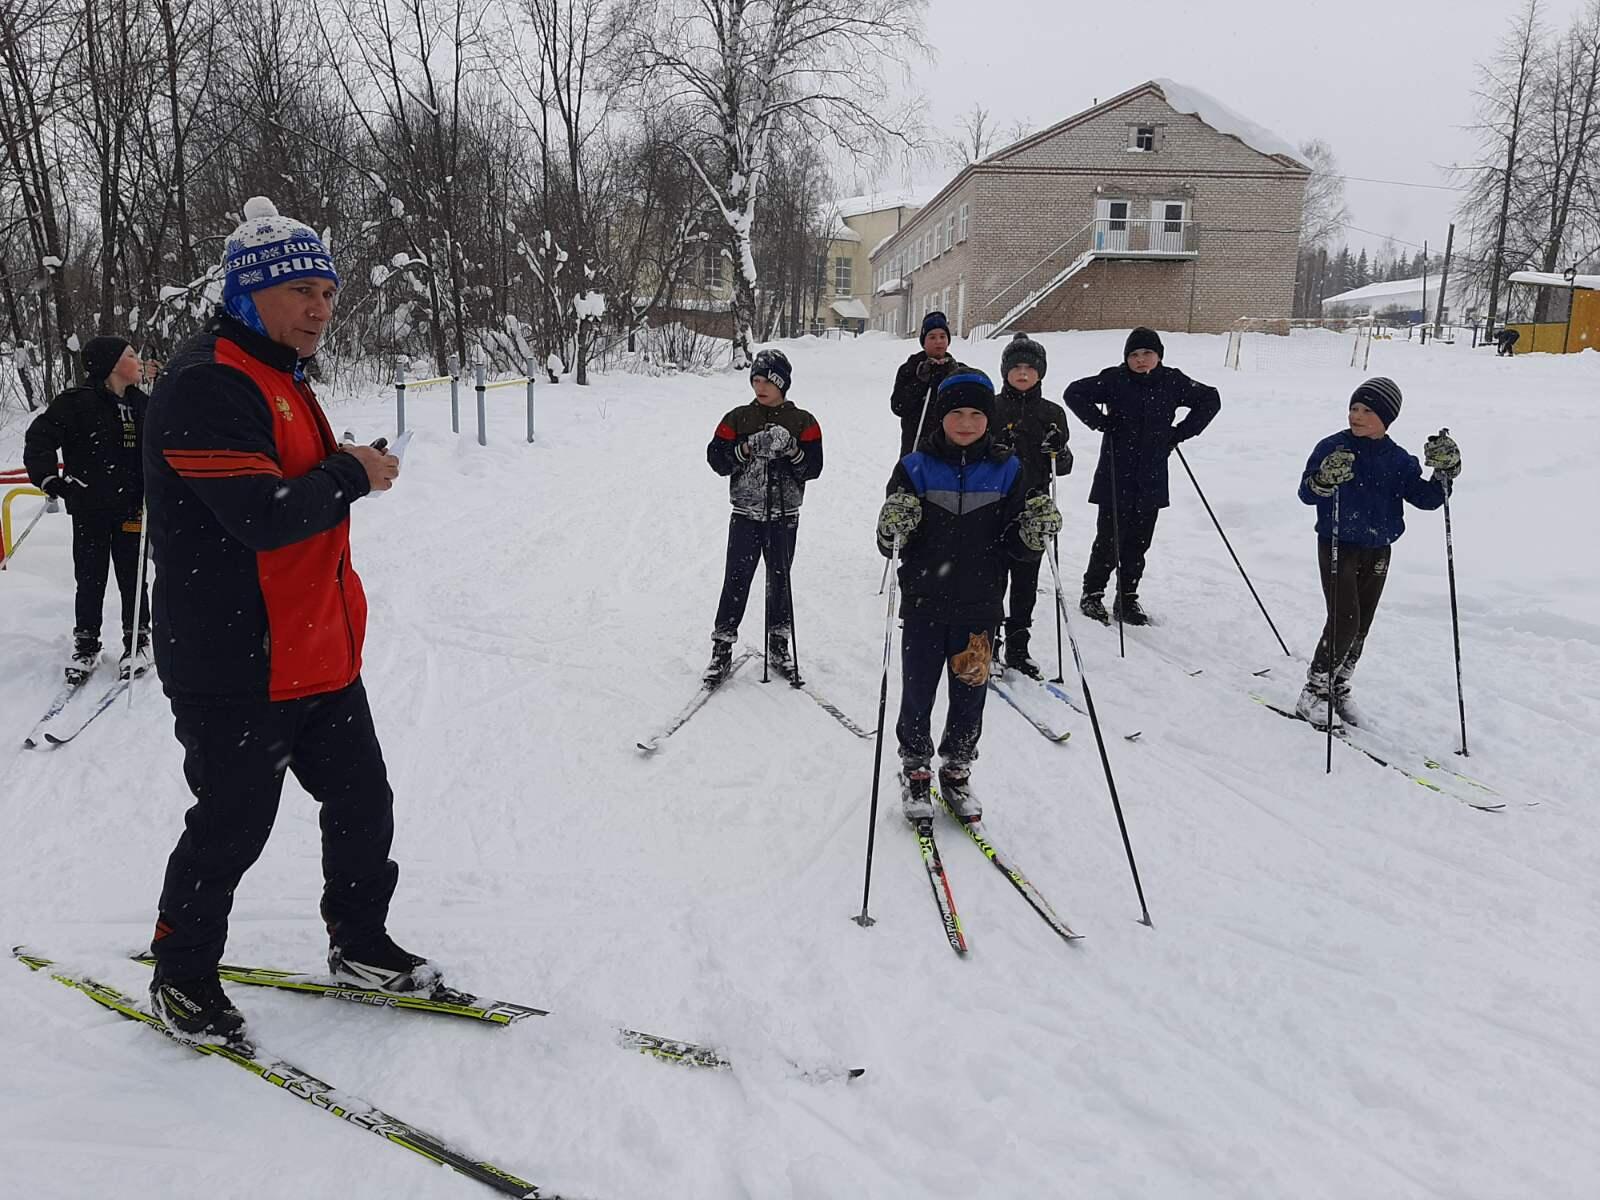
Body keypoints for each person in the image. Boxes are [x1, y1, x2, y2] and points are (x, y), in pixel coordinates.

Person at [142, 196, 421, 1042]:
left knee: (363, 804)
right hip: (235, 664)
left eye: (329, 294)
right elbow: (261, 513)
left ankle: (360, 944)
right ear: (247, 294)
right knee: (231, 827)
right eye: (301, 290)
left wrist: (340, 469)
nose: (320, 310)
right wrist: (349, 472)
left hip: (317, 654)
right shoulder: (207, 383)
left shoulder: (281, 379)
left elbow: (296, 497)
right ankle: (182, 977)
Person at [876, 367, 1062, 824]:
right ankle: (916, 768)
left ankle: (956, 769)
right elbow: (888, 542)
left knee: (969, 693)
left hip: (980, 605)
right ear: (941, 418)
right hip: (923, 603)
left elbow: (1016, 547)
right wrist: (893, 525)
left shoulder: (1008, 469)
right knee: (918, 690)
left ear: (989, 419)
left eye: (976, 414)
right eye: (956, 413)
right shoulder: (915, 468)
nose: (965, 423)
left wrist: (1033, 534)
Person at [1294, 377, 1461, 728]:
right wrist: (1324, 480)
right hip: (1338, 541)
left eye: (1367, 410)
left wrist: (1444, 472)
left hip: (1379, 547)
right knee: (1345, 617)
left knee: (1361, 624)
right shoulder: (1332, 447)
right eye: (1354, 407)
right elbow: (1307, 493)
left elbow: (1429, 500)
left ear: (1387, 417)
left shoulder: (1399, 460)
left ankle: (1338, 684)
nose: (1356, 415)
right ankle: (1314, 690)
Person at [1063, 326, 1221, 626]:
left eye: (1147, 353)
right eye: (1134, 354)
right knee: (1108, 539)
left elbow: (1210, 399)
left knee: (1138, 542)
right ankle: (1092, 593)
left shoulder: (1173, 381)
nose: (1141, 360)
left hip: (1152, 473)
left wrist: (1179, 433)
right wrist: (1100, 422)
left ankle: (1127, 598)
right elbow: (1074, 392)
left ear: (1158, 355)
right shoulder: (1114, 379)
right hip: (1115, 472)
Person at [23, 335, 152, 683]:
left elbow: (162, 449)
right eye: (130, 355)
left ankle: (138, 640)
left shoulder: (144, 405)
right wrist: (50, 480)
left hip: (131, 508)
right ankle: (86, 643)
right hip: (89, 507)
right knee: (91, 576)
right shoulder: (77, 402)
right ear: (111, 365)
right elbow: (40, 438)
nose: (137, 360)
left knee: (132, 575)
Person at [703, 348, 824, 683]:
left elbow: (813, 468)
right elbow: (717, 460)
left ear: (782, 383)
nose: (759, 387)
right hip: (745, 512)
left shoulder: (804, 422)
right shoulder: (738, 417)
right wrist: (744, 449)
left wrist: (793, 450)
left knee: (779, 580)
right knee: (736, 579)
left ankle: (779, 643)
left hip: (784, 514)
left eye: (766, 381)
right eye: (755, 380)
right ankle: (722, 646)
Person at [991, 332, 1072, 678]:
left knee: (1025, 581)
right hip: (993, 505)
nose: (1022, 373)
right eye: (1016, 367)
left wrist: (1058, 450)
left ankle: (1018, 646)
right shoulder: (991, 407)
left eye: (1029, 367)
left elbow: (1064, 466)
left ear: (1040, 372)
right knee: (991, 580)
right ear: (1005, 371)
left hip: (1033, 508)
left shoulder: (1051, 413)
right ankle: (987, 643)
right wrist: (994, 450)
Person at [889, 311, 957, 457]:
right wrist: (920, 382)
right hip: (915, 445)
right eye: (932, 337)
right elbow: (898, 406)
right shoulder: (910, 369)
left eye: (942, 336)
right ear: (923, 342)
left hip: (948, 448)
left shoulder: (958, 370)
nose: (938, 341)